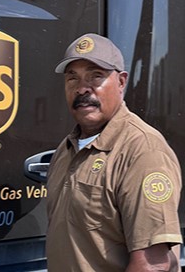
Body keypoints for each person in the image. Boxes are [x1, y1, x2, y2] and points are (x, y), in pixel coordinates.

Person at [46, 33, 183, 272]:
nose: (82, 89)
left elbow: (153, 264)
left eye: (95, 77)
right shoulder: (67, 148)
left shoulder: (143, 151)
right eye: (72, 79)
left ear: (121, 82)